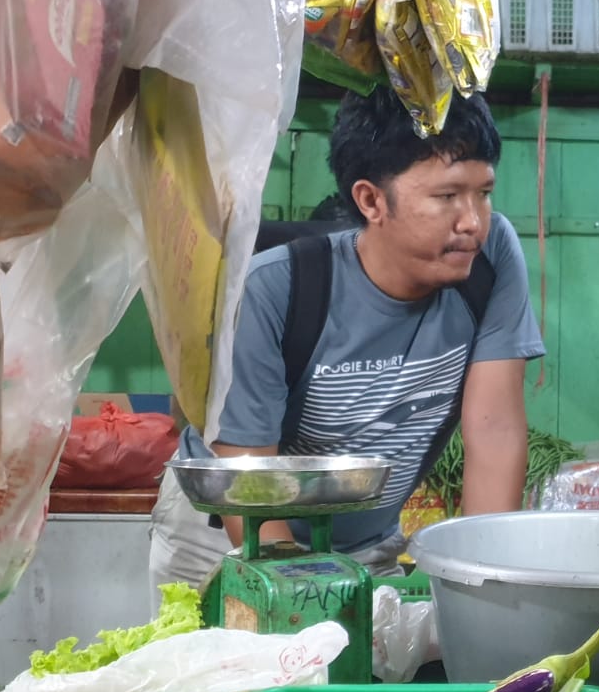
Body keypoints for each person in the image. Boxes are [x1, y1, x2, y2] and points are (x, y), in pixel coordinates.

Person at [149, 86, 544, 601]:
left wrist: (484, 586)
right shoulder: (270, 290)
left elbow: (493, 431)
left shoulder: (490, 259)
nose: (472, 220)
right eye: (447, 196)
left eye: (483, 192)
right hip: (230, 539)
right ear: (371, 200)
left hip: (364, 545)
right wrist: (303, 606)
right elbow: (248, 486)